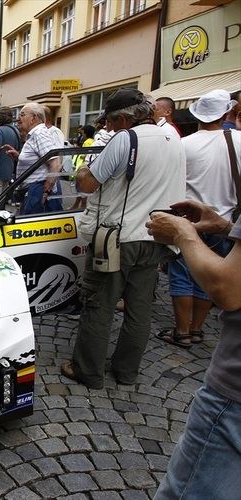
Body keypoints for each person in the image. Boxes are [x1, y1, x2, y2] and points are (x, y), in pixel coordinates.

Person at [60, 88, 185, 389]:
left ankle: (88, 371)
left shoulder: (126, 139)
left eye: (111, 122)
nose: (108, 128)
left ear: (123, 119)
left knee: (99, 305)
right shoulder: (174, 141)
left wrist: (82, 171)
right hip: (157, 235)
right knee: (139, 309)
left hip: (118, 237)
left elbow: (88, 184)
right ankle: (127, 372)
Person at [148, 200, 241, 500]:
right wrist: (227, 228)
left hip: (233, 398)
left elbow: (228, 288)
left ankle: (185, 331)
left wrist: (181, 232)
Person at [158, 89, 240, 347]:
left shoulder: (185, 144)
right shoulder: (238, 140)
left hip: (188, 219)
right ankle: (196, 329)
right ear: (226, 112)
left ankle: (181, 330)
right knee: (210, 275)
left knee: (182, 275)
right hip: (224, 221)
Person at [3, 102, 63, 214]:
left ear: (33, 118)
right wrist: (18, 156)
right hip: (33, 191)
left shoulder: (39, 133)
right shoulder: (35, 134)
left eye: (22, 114)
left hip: (37, 192)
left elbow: (55, 163)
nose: (18, 118)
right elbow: (39, 159)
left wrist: (45, 191)